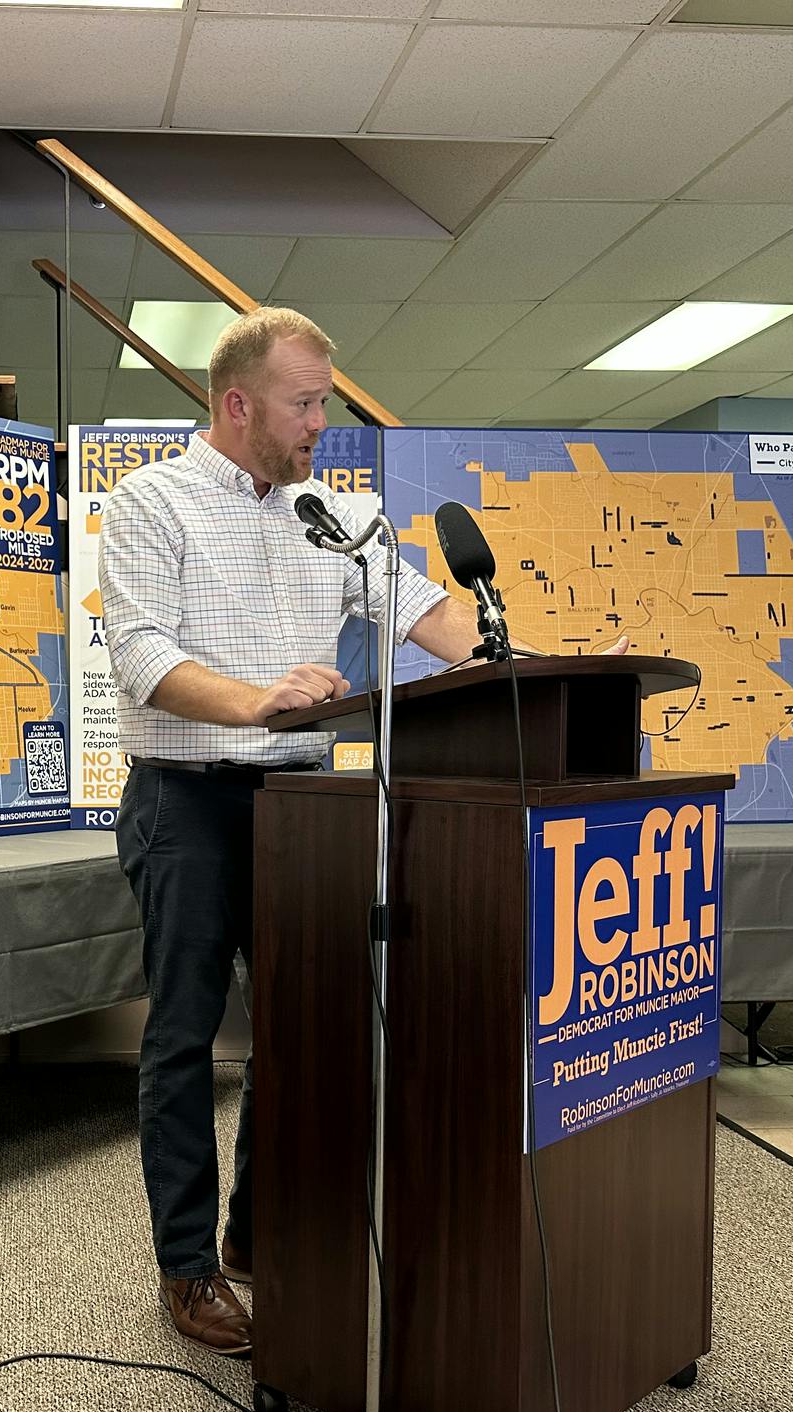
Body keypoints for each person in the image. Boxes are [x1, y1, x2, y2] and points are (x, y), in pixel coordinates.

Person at [98, 307, 488, 1357]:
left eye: (323, 400)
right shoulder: (150, 501)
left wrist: (524, 652)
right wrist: (258, 702)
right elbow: (138, 658)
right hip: (185, 800)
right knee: (181, 1040)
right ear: (238, 404)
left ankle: (252, 1235)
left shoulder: (333, 513)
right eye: (303, 402)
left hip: (300, 809)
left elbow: (421, 612)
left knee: (296, 1031)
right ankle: (184, 1270)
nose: (321, 420)